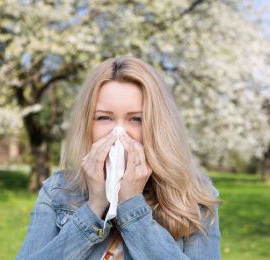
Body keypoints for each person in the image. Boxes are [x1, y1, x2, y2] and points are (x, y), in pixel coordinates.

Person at [16, 56, 221, 260]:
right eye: (105, 117)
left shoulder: (193, 194)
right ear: (88, 124)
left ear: (157, 125)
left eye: (136, 119)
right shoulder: (57, 191)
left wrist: (131, 206)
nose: (119, 133)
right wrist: (94, 208)